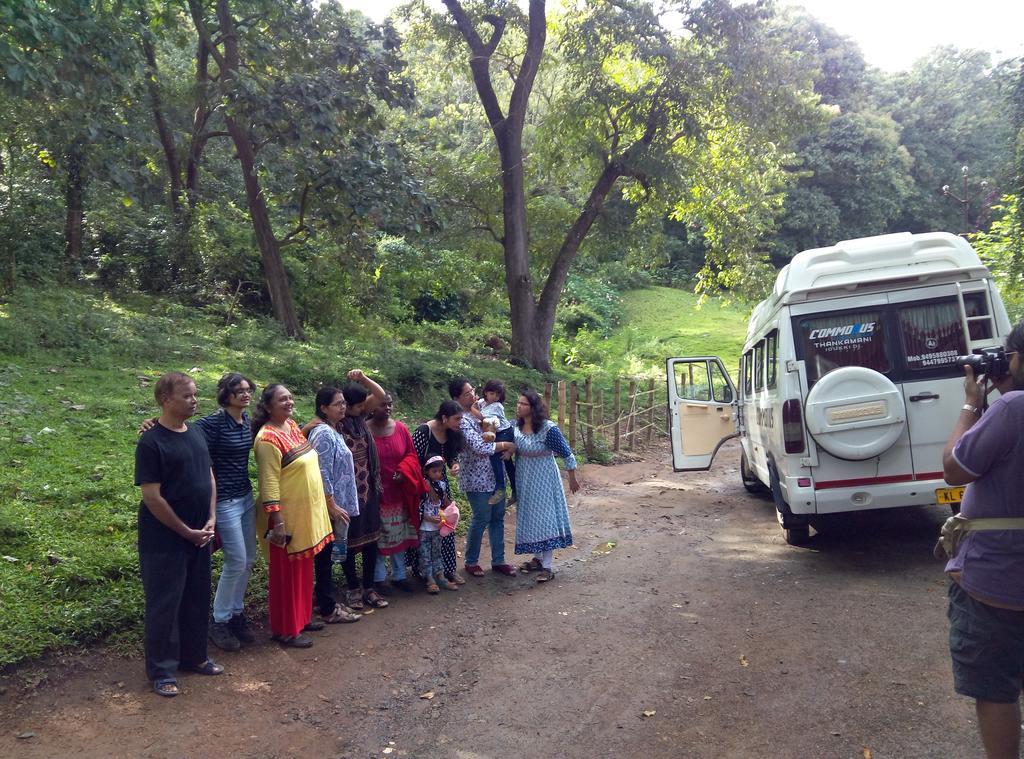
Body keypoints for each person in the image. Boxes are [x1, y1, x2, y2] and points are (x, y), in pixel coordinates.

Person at [942, 321, 1024, 759]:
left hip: (999, 581)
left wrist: (973, 406)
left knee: (997, 689)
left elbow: (954, 468)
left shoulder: (1011, 408)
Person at [134, 372, 222, 697]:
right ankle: (161, 670)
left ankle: (195, 657)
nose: (194, 400)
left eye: (195, 394)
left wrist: (211, 519)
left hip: (200, 534)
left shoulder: (196, 432)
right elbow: (152, 497)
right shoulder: (151, 441)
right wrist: (185, 530)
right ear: (165, 400)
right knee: (165, 604)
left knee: (197, 598)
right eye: (186, 396)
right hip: (165, 540)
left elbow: (209, 477)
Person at [253, 384, 333, 648]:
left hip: (305, 514)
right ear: (267, 406)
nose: (288, 402)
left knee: (303, 569)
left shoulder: (292, 427)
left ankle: (302, 618)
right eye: (281, 399)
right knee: (286, 575)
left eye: (290, 397)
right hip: (285, 519)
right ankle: (286, 629)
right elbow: (269, 484)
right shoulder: (267, 439)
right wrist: (277, 521)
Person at [303, 387, 361, 624]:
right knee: (324, 556)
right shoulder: (324, 434)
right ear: (324, 408)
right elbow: (322, 470)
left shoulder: (333, 430)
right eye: (337, 404)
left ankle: (325, 600)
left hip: (337, 503)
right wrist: (331, 505)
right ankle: (327, 608)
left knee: (327, 555)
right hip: (329, 506)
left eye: (344, 403)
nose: (343, 407)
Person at [449, 377, 517, 578]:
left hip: (496, 475)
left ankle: (499, 560)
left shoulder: (483, 408)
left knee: (498, 517)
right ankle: (471, 562)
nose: (472, 395)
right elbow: (480, 447)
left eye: (472, 391)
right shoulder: (461, 420)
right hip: (476, 479)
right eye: (466, 393)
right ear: (456, 398)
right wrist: (507, 446)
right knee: (481, 518)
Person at [513, 390, 580, 583]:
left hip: (544, 479)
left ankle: (548, 567)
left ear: (533, 408)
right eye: (518, 403)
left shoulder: (547, 429)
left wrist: (572, 477)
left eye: (524, 404)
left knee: (545, 518)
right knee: (531, 517)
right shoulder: (515, 428)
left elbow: (566, 453)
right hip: (525, 478)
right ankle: (538, 558)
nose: (519, 407)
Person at [338, 370, 390, 610]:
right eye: (358, 407)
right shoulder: (334, 423)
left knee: (371, 542)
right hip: (345, 495)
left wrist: (363, 379)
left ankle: (369, 587)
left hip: (368, 490)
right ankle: (352, 588)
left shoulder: (360, 419)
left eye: (362, 406)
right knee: (346, 542)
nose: (362, 410)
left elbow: (380, 395)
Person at [368, 392, 422, 595]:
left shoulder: (401, 428)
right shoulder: (365, 430)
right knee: (378, 536)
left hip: (399, 492)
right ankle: (378, 578)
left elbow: (411, 454)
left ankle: (399, 575)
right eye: (383, 405)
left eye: (389, 404)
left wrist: (404, 471)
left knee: (399, 534)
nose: (387, 408)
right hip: (375, 494)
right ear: (372, 407)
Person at [410, 400, 466, 585]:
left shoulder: (452, 433)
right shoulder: (423, 432)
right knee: (425, 531)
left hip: (441, 488)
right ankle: (424, 572)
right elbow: (413, 461)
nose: (460, 423)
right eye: (457, 419)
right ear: (444, 418)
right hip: (423, 489)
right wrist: (426, 485)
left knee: (446, 526)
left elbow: (452, 456)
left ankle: (448, 570)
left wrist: (454, 464)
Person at [472, 379, 516, 506]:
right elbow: (478, 409)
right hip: (498, 433)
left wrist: (471, 408)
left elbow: (482, 417)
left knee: (495, 455)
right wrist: (474, 404)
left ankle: (501, 488)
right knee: (507, 462)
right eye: (492, 394)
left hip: (505, 432)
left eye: (497, 395)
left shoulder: (497, 406)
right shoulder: (482, 402)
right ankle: (515, 490)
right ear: (486, 392)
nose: (495, 397)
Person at [419, 456, 457, 594]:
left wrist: (452, 510)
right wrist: (428, 518)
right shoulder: (422, 486)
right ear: (427, 471)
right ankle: (429, 579)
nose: (438, 474)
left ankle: (440, 576)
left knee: (437, 552)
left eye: (440, 471)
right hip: (424, 528)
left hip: (438, 528)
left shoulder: (441, 485)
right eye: (434, 471)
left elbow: (445, 502)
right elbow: (417, 507)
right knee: (425, 554)